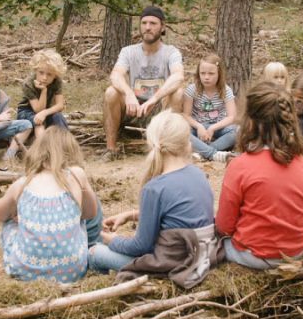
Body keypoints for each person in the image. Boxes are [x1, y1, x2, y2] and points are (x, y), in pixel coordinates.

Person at [89, 112, 215, 272]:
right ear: (187, 143)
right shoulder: (198, 174)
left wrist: (113, 241)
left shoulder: (154, 188)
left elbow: (141, 247)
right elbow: (177, 215)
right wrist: (131, 215)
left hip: (173, 264)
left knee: (94, 252)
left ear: (150, 142)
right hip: (201, 256)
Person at [216, 82, 303, 269]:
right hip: (296, 251)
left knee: (212, 241)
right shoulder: (302, 163)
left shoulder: (240, 165)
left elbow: (224, 226)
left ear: (250, 122)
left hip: (254, 255)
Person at [0, 127, 98, 283]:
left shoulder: (22, 184)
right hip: (73, 271)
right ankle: (89, 248)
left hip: (25, 273)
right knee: (83, 208)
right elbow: (90, 213)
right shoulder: (76, 174)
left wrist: (17, 211)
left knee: (8, 221)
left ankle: (26, 255)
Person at [102, 6, 185, 157]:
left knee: (178, 93)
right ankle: (111, 149)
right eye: (144, 23)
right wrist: (128, 93)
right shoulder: (128, 51)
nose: (148, 27)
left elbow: (178, 76)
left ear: (162, 27)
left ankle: (168, 149)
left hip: (158, 109)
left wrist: (154, 99)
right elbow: (115, 75)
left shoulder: (171, 52)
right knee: (111, 92)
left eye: (153, 23)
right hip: (132, 109)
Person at [183, 53, 237, 163]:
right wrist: (198, 126)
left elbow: (231, 117)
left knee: (236, 131)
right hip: (197, 127)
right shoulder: (192, 90)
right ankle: (212, 154)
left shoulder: (226, 91)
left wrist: (213, 128)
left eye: (211, 73)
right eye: (203, 73)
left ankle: (201, 153)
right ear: (198, 73)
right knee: (182, 132)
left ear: (219, 74)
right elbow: (186, 115)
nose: (206, 77)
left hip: (218, 127)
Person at [17, 49, 69, 139]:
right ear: (36, 70)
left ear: (55, 75)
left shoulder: (57, 81)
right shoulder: (28, 83)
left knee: (58, 117)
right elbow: (38, 110)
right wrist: (44, 91)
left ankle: (66, 142)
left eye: (49, 75)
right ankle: (42, 148)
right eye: (41, 73)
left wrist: (45, 113)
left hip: (45, 111)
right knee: (39, 122)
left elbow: (60, 105)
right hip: (27, 111)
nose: (44, 78)